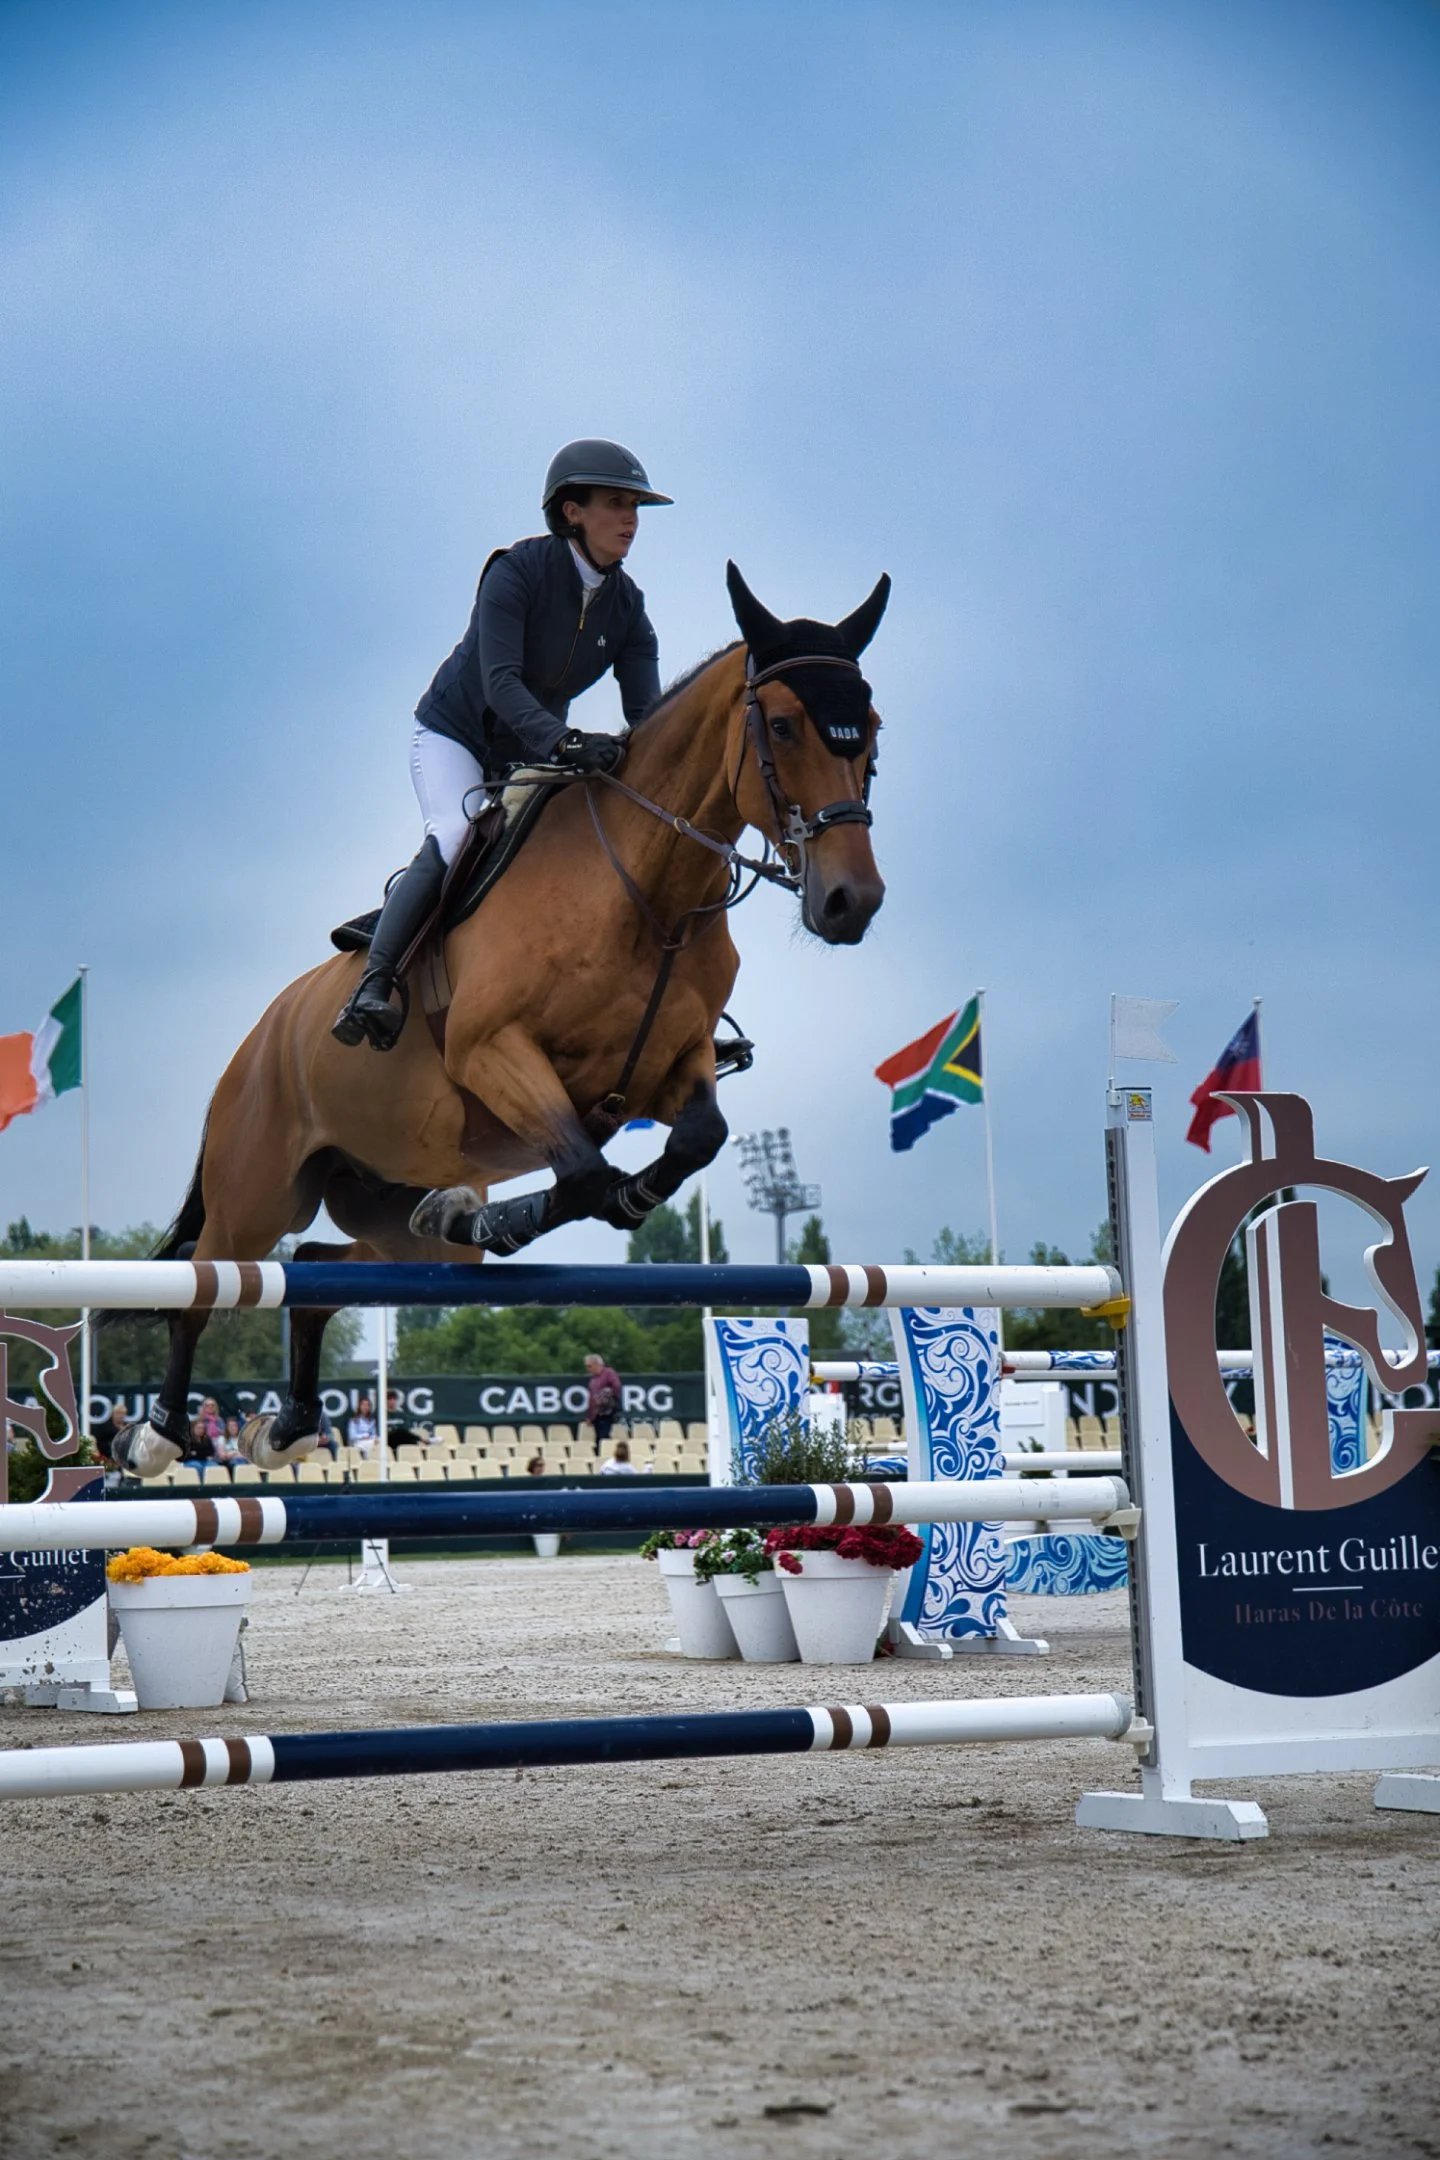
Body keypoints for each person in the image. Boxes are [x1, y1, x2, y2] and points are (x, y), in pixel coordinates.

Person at [333, 439, 673, 1051]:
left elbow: (646, 717)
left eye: (635, 507)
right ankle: (374, 985)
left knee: (585, 848)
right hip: (455, 733)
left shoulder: (628, 608)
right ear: (572, 511)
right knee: (455, 833)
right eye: (616, 504)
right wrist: (566, 741)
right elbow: (501, 684)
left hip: (534, 751)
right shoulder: (516, 572)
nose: (631, 520)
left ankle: (653, 1010)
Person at [584, 1352, 623, 1454]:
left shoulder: (609, 1373)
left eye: (589, 1366)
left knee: (603, 1436)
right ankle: (602, 1454)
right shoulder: (593, 1379)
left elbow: (616, 1387)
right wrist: (589, 1416)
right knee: (598, 1437)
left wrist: (606, 1395)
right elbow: (591, 1398)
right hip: (596, 1413)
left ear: (597, 1364)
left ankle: (605, 1454)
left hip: (607, 1411)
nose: (588, 1369)